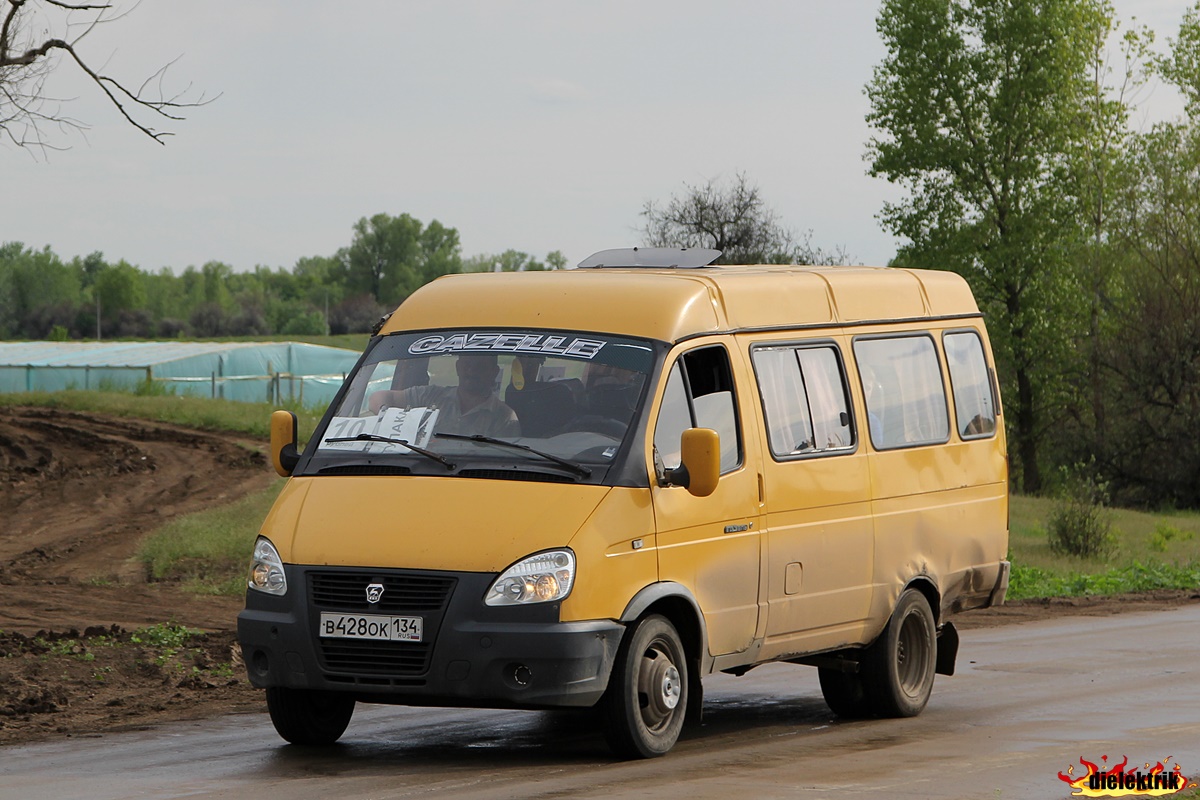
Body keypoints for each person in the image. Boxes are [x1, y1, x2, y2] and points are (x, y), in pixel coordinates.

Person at [369, 353, 520, 438]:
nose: (471, 371)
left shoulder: (504, 418)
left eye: (479, 367)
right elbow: (379, 397)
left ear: (494, 372)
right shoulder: (431, 396)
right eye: (467, 365)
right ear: (458, 367)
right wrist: (388, 416)